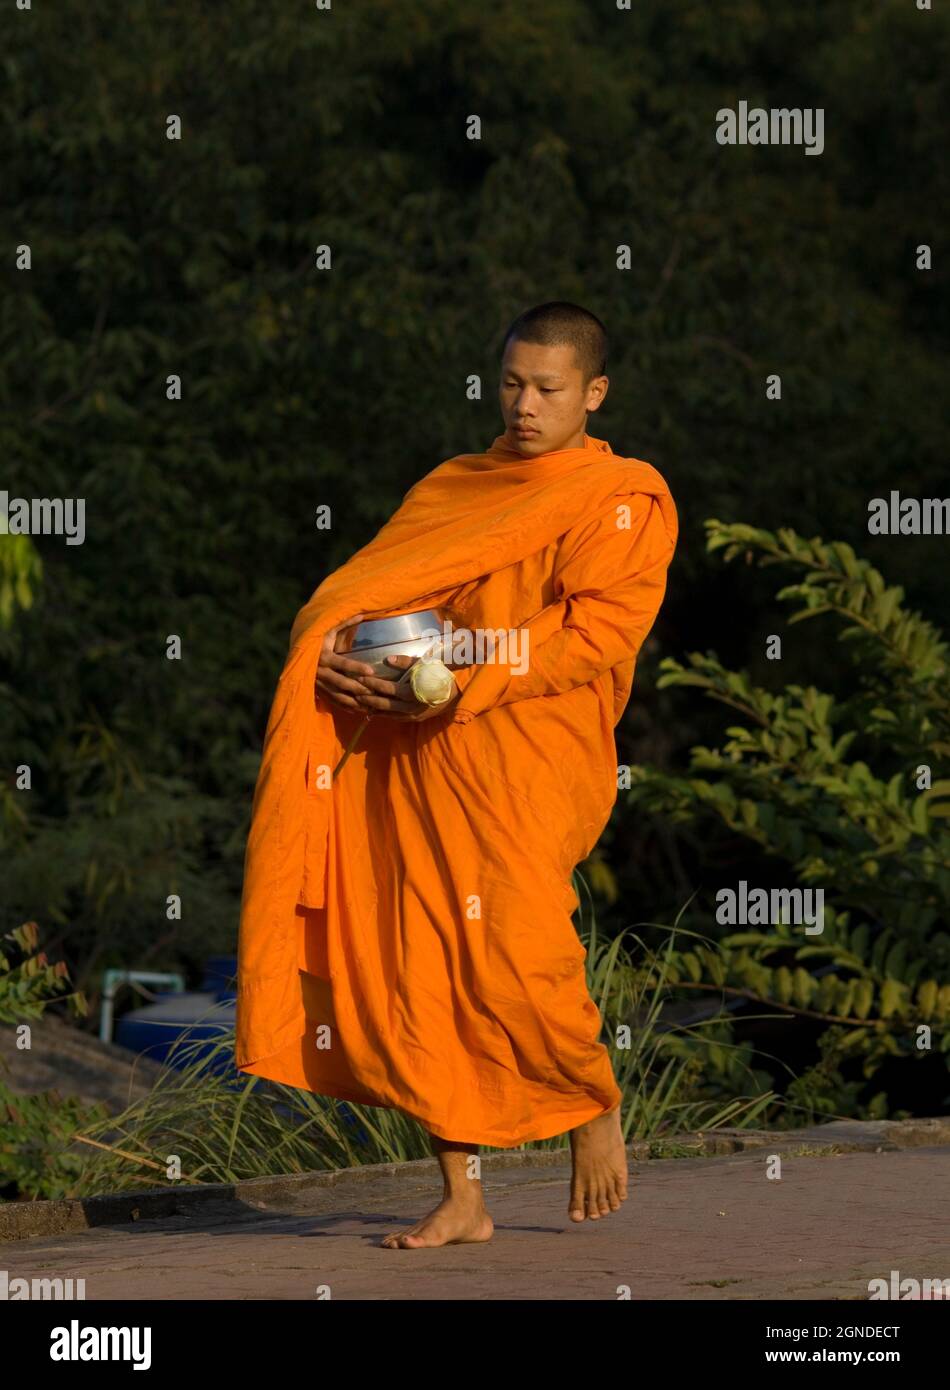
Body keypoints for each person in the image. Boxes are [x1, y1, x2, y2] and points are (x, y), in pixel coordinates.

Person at [235, 301, 678, 1248]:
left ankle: (589, 1099)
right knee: (416, 965)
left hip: (527, 759)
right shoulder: (458, 485)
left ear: (593, 394)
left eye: (548, 390)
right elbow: (358, 597)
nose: (524, 405)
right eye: (511, 383)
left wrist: (470, 680)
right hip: (417, 751)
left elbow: (596, 637)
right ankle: (463, 1196)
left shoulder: (622, 499)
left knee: (522, 947)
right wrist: (329, 657)